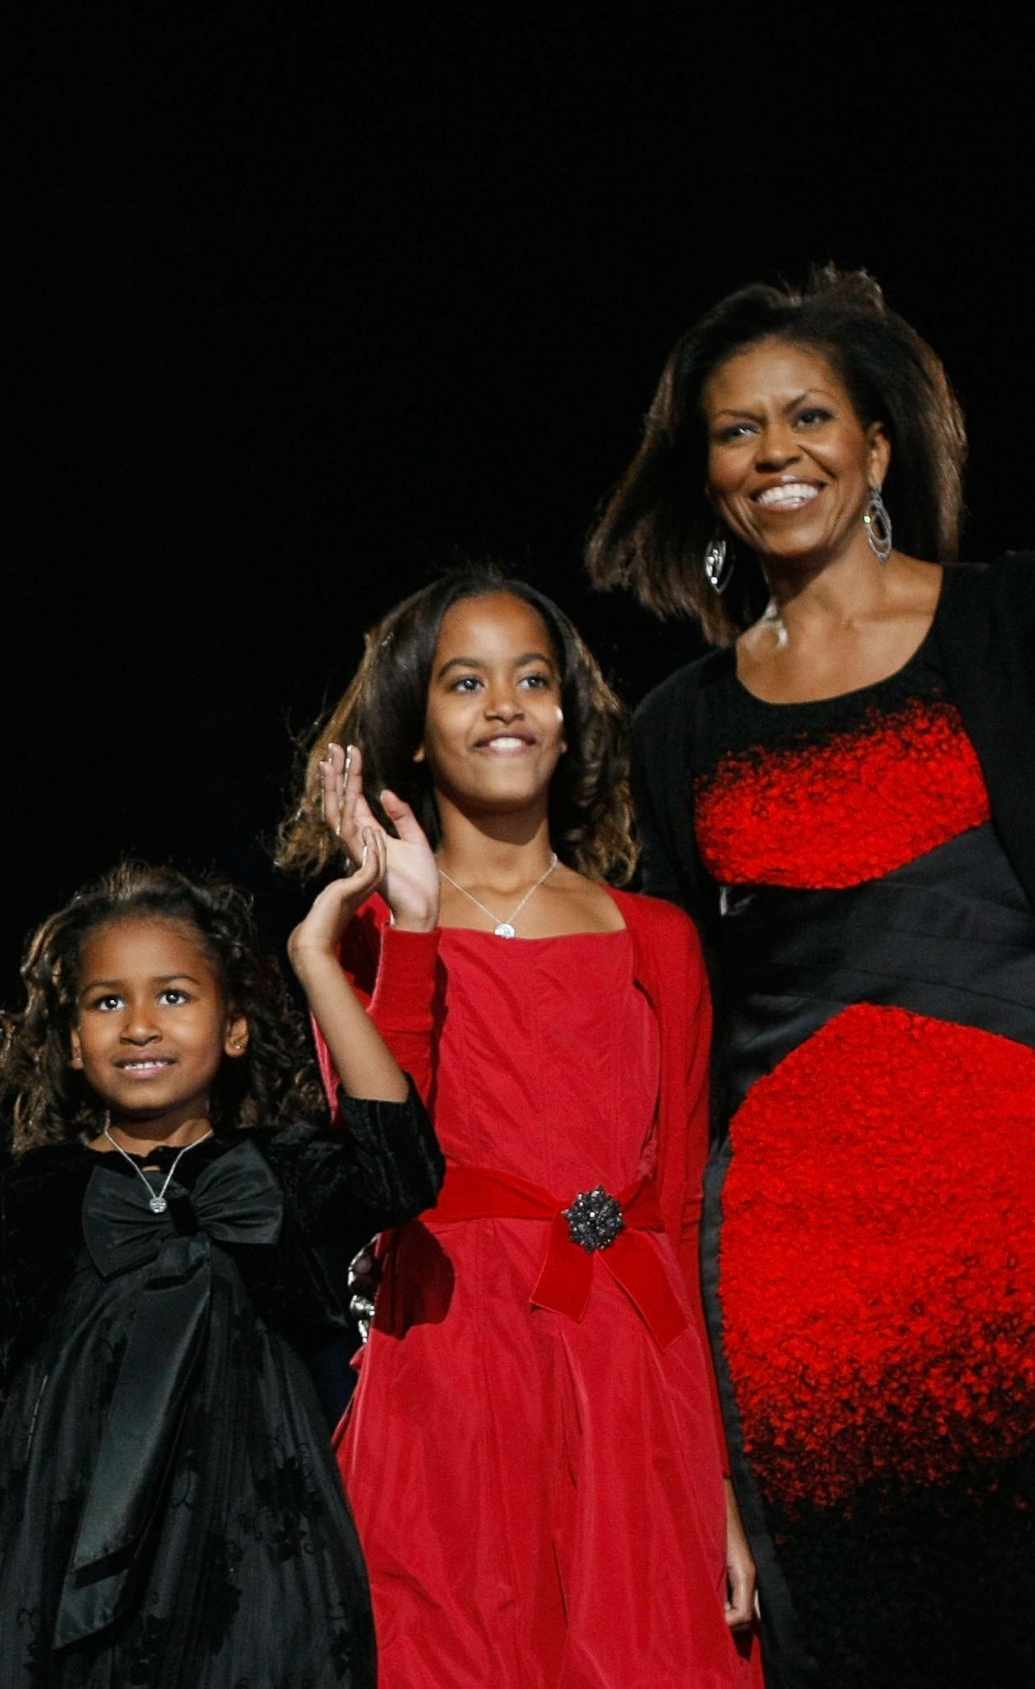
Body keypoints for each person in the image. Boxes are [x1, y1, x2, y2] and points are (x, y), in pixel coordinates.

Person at [580, 98, 1035, 1688]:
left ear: (877, 443)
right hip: (795, 1274)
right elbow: (677, 1055)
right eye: (737, 432)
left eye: (808, 418)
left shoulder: (1007, 621)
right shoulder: (675, 731)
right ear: (704, 479)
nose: (776, 456)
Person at [276, 572, 760, 1687]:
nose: (504, 704)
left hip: (635, 1385)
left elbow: (681, 1212)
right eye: (466, 681)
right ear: (413, 732)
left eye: (532, 679)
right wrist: (412, 923)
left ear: (568, 718)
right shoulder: (370, 936)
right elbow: (385, 1154)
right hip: (455, 1364)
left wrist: (720, 1483)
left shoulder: (660, 941)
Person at [0, 860, 442, 1686]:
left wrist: (315, 956)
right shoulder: (30, 1201)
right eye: (106, 1001)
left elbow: (402, 1171)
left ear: (234, 1026)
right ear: (69, 1039)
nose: (138, 1025)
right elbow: (1, 1441)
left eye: (173, 995)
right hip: (61, 1597)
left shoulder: (281, 1173)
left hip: (260, 1587)